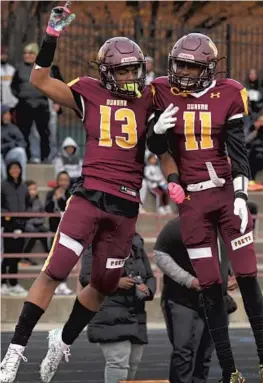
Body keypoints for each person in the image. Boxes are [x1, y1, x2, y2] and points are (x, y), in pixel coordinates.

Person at [0, 3, 160, 383]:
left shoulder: (150, 96)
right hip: (90, 195)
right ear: (106, 72)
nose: (129, 76)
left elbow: (189, 98)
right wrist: (51, 35)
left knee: (103, 284)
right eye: (121, 70)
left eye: (133, 69)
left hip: (125, 206)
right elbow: (39, 80)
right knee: (55, 269)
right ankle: (15, 352)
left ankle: (63, 338)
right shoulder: (88, 91)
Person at [147, 33, 263, 383]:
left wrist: (238, 196)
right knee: (210, 284)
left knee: (247, 274)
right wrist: (155, 131)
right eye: (181, 64)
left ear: (208, 68)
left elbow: (238, 152)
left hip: (223, 194)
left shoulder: (229, 94)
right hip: (192, 201)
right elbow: (157, 146)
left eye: (193, 65)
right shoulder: (162, 90)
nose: (185, 72)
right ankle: (230, 370)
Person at [153, 217, 239, 383]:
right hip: (183, 300)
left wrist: (228, 274)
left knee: (205, 356)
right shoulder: (178, 225)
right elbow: (159, 254)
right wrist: (188, 280)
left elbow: (221, 254)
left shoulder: (222, 226)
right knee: (184, 353)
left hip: (215, 302)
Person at [79, 233, 156, 383]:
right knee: (118, 363)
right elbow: (86, 277)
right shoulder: (97, 241)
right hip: (109, 310)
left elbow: (149, 275)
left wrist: (148, 289)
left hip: (136, 311)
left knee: (133, 363)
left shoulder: (136, 241)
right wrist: (116, 283)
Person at [10, 42, 51, 162]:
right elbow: (14, 86)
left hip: (41, 105)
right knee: (24, 133)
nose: (27, 55)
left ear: (37, 54)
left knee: (44, 133)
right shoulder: (19, 68)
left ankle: (45, 157)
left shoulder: (45, 68)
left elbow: (53, 84)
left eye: (30, 53)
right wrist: (21, 96)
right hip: (24, 106)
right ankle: (26, 157)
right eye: (25, 53)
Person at [1, 161, 28, 296]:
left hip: (21, 226)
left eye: (17, 168)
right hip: (8, 225)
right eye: (12, 168)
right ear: (8, 170)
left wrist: (25, 219)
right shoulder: (3, 185)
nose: (15, 170)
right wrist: (7, 216)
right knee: (8, 254)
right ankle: (3, 283)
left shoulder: (23, 187)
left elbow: (28, 204)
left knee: (16, 256)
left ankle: (13, 283)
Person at [45, 171, 73, 296]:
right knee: (53, 260)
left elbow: (71, 209)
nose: (63, 183)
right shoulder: (51, 193)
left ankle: (63, 284)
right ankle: (53, 285)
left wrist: (63, 199)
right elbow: (47, 209)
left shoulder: (72, 194)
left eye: (66, 180)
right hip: (54, 231)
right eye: (61, 180)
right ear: (57, 181)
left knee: (65, 260)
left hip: (68, 232)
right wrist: (55, 199)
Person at [23, 180, 49, 258]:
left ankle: (47, 253)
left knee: (43, 230)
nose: (33, 192)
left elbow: (42, 216)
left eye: (34, 189)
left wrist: (35, 221)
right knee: (34, 232)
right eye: (30, 189)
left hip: (37, 224)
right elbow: (24, 217)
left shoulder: (39, 201)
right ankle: (25, 256)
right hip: (26, 225)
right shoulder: (23, 202)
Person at [1, 104, 27, 180]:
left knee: (20, 151)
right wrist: (10, 144)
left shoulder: (12, 127)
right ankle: (5, 181)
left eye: (8, 114)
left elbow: (22, 142)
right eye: (5, 114)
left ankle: (22, 179)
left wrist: (11, 145)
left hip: (8, 154)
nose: (8, 116)